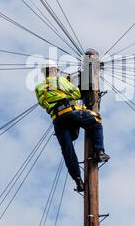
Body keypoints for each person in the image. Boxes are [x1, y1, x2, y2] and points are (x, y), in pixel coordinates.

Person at [35, 60, 110, 192]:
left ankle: (78, 181)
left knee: (67, 150)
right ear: (54, 71)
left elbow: (43, 104)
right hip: (70, 113)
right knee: (96, 122)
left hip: (57, 120)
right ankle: (100, 152)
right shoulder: (60, 80)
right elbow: (76, 93)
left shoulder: (39, 87)